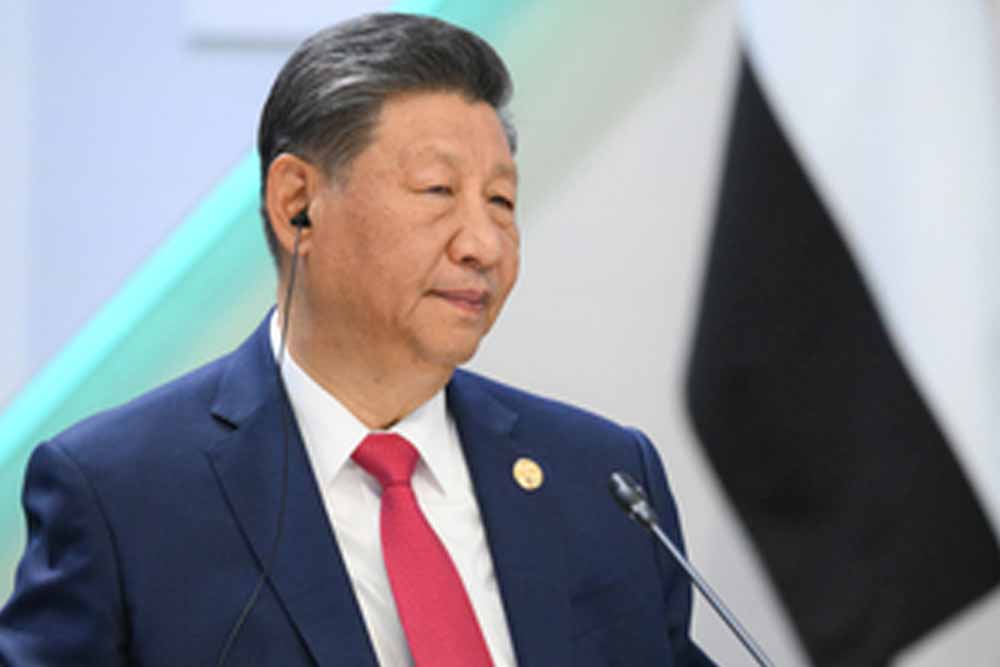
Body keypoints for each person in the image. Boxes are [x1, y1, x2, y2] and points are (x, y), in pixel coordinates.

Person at [0, 12, 714, 667]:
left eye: (501, 200)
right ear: (297, 204)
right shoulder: (123, 494)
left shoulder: (604, 480)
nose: (484, 243)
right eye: (437, 190)